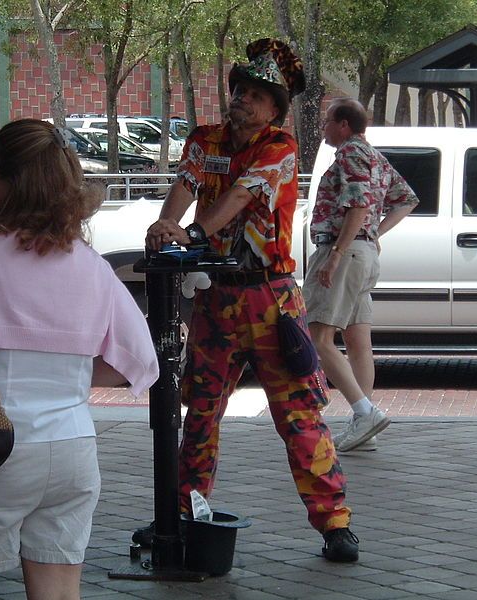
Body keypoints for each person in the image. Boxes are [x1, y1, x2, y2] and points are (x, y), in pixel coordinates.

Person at [0, 119, 159, 600]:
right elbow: (138, 362)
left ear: (8, 184)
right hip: (71, 451)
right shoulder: (91, 265)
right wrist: (62, 376)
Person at [140, 38, 359, 562]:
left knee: (299, 415)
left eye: (259, 95)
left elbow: (239, 196)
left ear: (275, 109)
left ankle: (335, 526)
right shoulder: (203, 139)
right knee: (199, 413)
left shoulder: (278, 147)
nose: (244, 98)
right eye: (241, 88)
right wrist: (166, 223)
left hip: (271, 302)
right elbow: (186, 185)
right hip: (217, 301)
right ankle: (183, 516)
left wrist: (189, 235)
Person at [303, 98, 418, 454]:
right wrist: (374, 235)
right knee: (357, 341)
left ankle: (364, 412)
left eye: (326, 122)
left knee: (318, 336)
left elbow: (358, 204)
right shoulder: (376, 157)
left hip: (345, 252)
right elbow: (407, 200)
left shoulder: (350, 155)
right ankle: (365, 421)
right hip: (363, 253)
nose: (323, 128)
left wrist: (336, 253)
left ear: (343, 124)